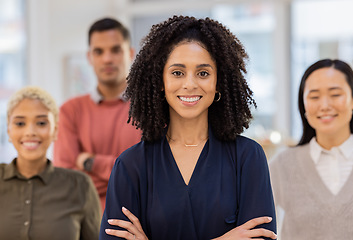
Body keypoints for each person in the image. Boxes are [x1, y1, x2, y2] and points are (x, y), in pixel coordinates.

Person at [99, 15, 277, 240]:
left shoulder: (247, 158)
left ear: (218, 82)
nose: (190, 84)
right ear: (160, 82)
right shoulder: (131, 165)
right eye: (177, 73)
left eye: (203, 73)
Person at [269, 59, 353, 240]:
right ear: (303, 104)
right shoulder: (281, 166)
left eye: (335, 94)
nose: (325, 105)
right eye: (314, 97)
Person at [53, 17, 141, 210]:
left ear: (131, 53)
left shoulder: (151, 109)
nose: (107, 58)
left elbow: (152, 175)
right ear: (89, 57)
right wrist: (126, 174)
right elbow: (66, 182)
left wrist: (91, 162)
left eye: (116, 50)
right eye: (99, 52)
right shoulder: (69, 111)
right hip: (86, 226)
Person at [0, 86, 101, 240]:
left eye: (41, 123)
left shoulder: (80, 186)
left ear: (55, 131)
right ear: (8, 131)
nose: (30, 132)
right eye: (20, 124)